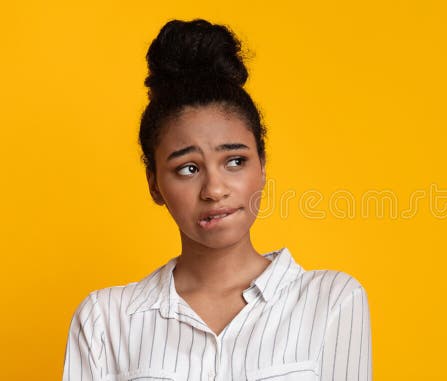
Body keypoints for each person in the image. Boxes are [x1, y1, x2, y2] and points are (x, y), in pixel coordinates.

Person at [62, 18, 372, 381]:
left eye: (235, 161)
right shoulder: (104, 320)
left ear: (262, 166)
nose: (214, 189)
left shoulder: (332, 301)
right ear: (155, 184)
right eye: (188, 169)